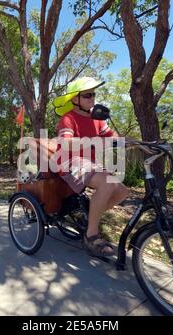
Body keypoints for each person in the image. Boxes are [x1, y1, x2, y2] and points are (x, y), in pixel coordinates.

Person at [53, 77, 129, 257]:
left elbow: (112, 136)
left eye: (93, 95)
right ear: (74, 99)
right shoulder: (68, 118)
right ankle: (91, 236)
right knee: (106, 183)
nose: (92, 98)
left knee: (121, 191)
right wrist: (93, 143)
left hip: (89, 163)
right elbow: (66, 143)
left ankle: (89, 219)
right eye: (87, 95)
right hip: (69, 161)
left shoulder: (98, 119)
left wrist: (138, 142)